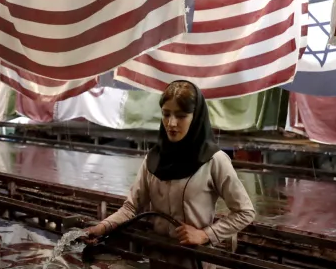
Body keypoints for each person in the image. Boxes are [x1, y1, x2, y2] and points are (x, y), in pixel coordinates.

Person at [84, 80, 255, 248]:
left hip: (195, 264)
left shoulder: (213, 161)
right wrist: (101, 228)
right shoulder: (154, 159)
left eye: (181, 116)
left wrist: (205, 235)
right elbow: (131, 209)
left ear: (196, 117)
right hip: (156, 258)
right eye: (166, 114)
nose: (171, 123)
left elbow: (245, 212)